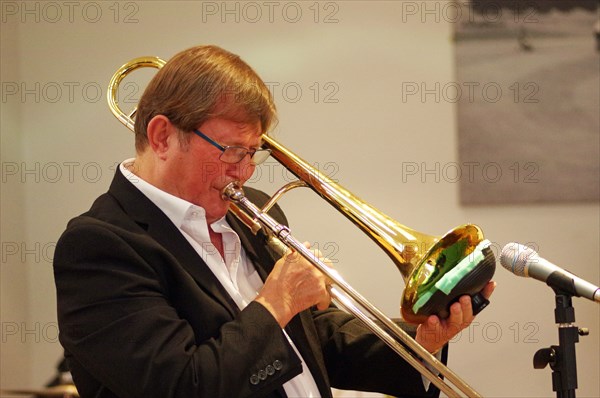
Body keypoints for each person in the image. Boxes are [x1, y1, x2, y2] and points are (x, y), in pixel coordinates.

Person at [53, 45, 495, 398]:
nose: (244, 172)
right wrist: (276, 304)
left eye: (253, 153)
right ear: (163, 136)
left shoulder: (255, 210)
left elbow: (316, 344)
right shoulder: (99, 246)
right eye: (230, 150)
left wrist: (422, 343)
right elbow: (181, 384)